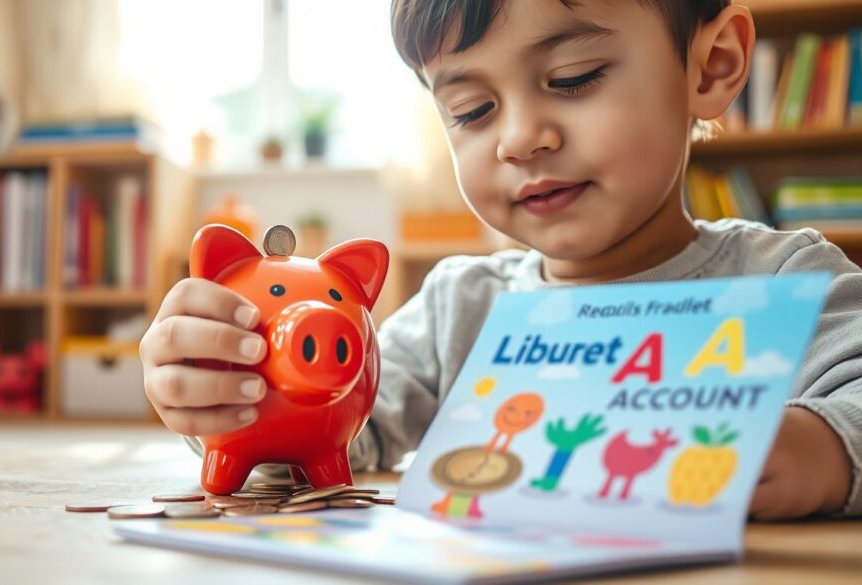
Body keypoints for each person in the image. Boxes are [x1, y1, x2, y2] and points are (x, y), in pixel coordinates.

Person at [139, 0, 861, 520]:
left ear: (713, 65)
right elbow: (336, 436)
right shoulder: (460, 306)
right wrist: (232, 395)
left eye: (573, 77)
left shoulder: (787, 281)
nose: (519, 139)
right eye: (472, 111)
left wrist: (820, 450)